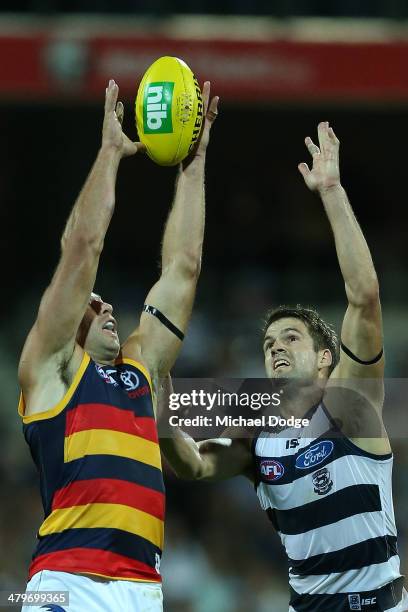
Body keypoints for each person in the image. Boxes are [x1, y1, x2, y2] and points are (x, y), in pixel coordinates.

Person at [160, 122, 407, 611]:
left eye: (291, 337)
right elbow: (191, 465)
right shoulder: (258, 435)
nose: (275, 346)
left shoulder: (352, 404)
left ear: (323, 358)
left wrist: (332, 192)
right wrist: (163, 406)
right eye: (269, 341)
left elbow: (364, 296)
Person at [17, 78, 218, 612]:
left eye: (108, 303)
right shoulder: (51, 368)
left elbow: (183, 268)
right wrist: (110, 152)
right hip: (66, 582)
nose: (106, 307)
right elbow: (83, 246)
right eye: (93, 303)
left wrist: (193, 167)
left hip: (143, 590)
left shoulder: (140, 371)